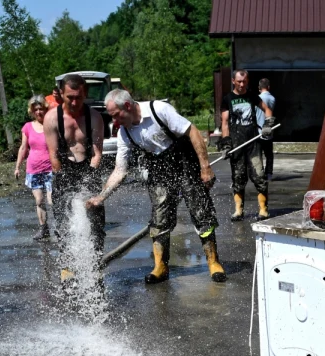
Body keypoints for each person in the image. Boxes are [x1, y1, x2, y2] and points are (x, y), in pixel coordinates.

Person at [87, 89, 225, 284]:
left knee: (201, 213)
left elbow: (192, 131)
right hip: (159, 170)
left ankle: (213, 261)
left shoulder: (158, 110)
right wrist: (102, 196)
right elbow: (120, 169)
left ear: (127, 106)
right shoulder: (125, 133)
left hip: (185, 163)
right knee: (159, 220)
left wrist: (205, 167)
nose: (115, 122)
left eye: (115, 115)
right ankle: (161, 266)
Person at [44, 73, 105, 254]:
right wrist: (64, 179)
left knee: (96, 226)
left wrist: (89, 178)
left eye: (78, 97)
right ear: (61, 94)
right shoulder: (52, 118)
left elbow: (97, 153)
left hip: (89, 170)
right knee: (64, 227)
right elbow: (53, 154)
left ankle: (96, 270)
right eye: (70, 97)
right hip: (63, 171)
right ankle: (67, 272)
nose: (74, 102)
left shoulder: (94, 117)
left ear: (85, 94)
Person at [219, 69, 272, 221]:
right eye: (239, 81)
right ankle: (238, 210)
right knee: (238, 177)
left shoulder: (252, 97)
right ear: (233, 81)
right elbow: (224, 124)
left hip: (253, 143)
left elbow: (267, 110)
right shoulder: (227, 99)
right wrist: (226, 145)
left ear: (247, 82)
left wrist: (268, 124)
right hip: (237, 144)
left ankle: (263, 210)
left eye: (245, 82)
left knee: (259, 176)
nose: (242, 84)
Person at [14, 95, 53, 241]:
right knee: (39, 200)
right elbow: (23, 148)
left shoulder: (51, 124)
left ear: (45, 109)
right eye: (35, 109)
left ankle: (62, 227)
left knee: (51, 200)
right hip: (34, 168)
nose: (38, 112)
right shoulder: (28, 127)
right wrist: (17, 167)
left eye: (40, 109)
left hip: (50, 168)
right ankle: (44, 229)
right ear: (32, 111)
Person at [257, 78, 276, 180]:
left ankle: (260, 173)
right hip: (269, 129)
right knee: (269, 154)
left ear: (259, 88)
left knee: (258, 154)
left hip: (258, 131)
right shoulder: (272, 98)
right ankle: (269, 174)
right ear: (268, 87)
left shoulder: (257, 98)